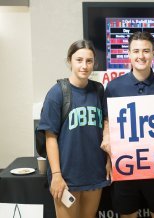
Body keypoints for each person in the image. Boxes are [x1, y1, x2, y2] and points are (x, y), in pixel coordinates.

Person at [101, 31, 154, 218]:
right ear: (129, 54)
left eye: (146, 51)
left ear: (153, 53)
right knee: (127, 214)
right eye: (136, 51)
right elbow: (108, 121)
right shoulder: (114, 87)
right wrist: (107, 148)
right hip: (126, 165)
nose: (141, 56)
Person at [38, 39, 110, 218]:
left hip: (94, 172)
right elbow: (50, 137)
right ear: (69, 61)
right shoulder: (57, 93)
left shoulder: (99, 90)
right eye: (79, 60)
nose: (84, 66)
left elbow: (106, 123)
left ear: (94, 63)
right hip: (67, 175)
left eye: (89, 61)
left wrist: (108, 159)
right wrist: (56, 175)